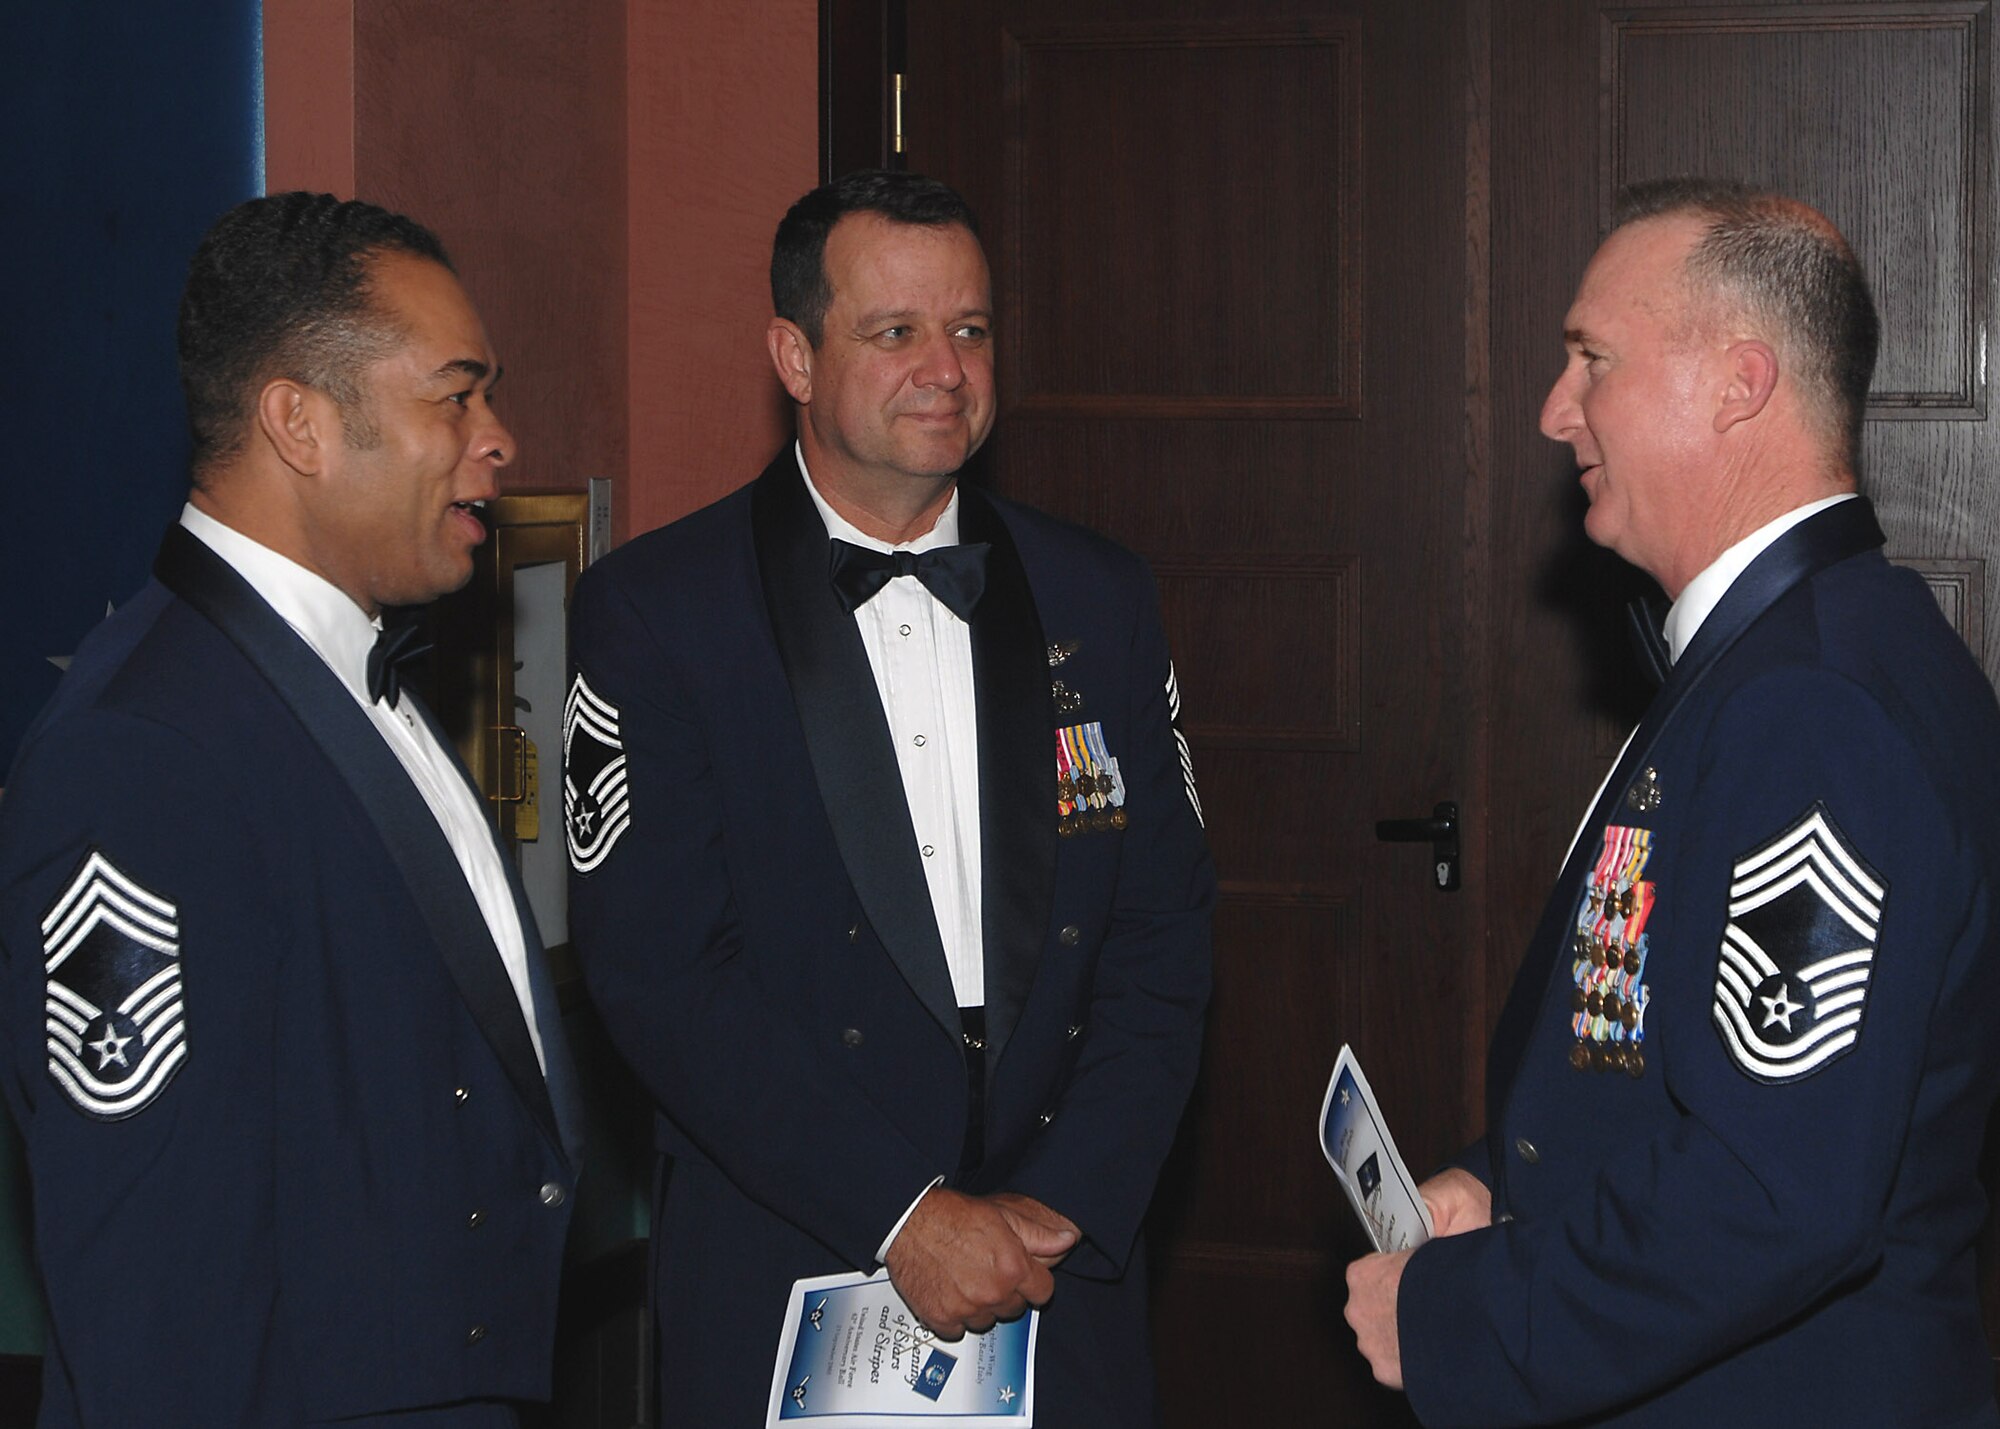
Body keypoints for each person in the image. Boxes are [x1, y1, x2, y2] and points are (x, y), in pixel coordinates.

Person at [1344, 177, 2000, 1425]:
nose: (1553, 410)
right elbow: (1683, 1071)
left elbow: (1772, 1189)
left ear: (1735, 384)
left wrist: (1462, 1316)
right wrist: (1501, 1193)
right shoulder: (1786, 652)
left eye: (1590, 358)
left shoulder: (1814, 703)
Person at [566, 169, 1214, 1426]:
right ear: (793, 357)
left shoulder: (1099, 595)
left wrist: (1073, 1192)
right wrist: (902, 1212)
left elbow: (1163, 932)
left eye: (970, 330)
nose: (945, 368)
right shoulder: (658, 613)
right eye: (894, 332)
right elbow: (660, 973)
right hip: (793, 1258)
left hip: (1056, 1269)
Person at [0, 192, 583, 1426]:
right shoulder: (140, 751)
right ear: (299, 423)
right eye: (455, 396)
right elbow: (153, 1297)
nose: (498, 439)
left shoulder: (352, 669)